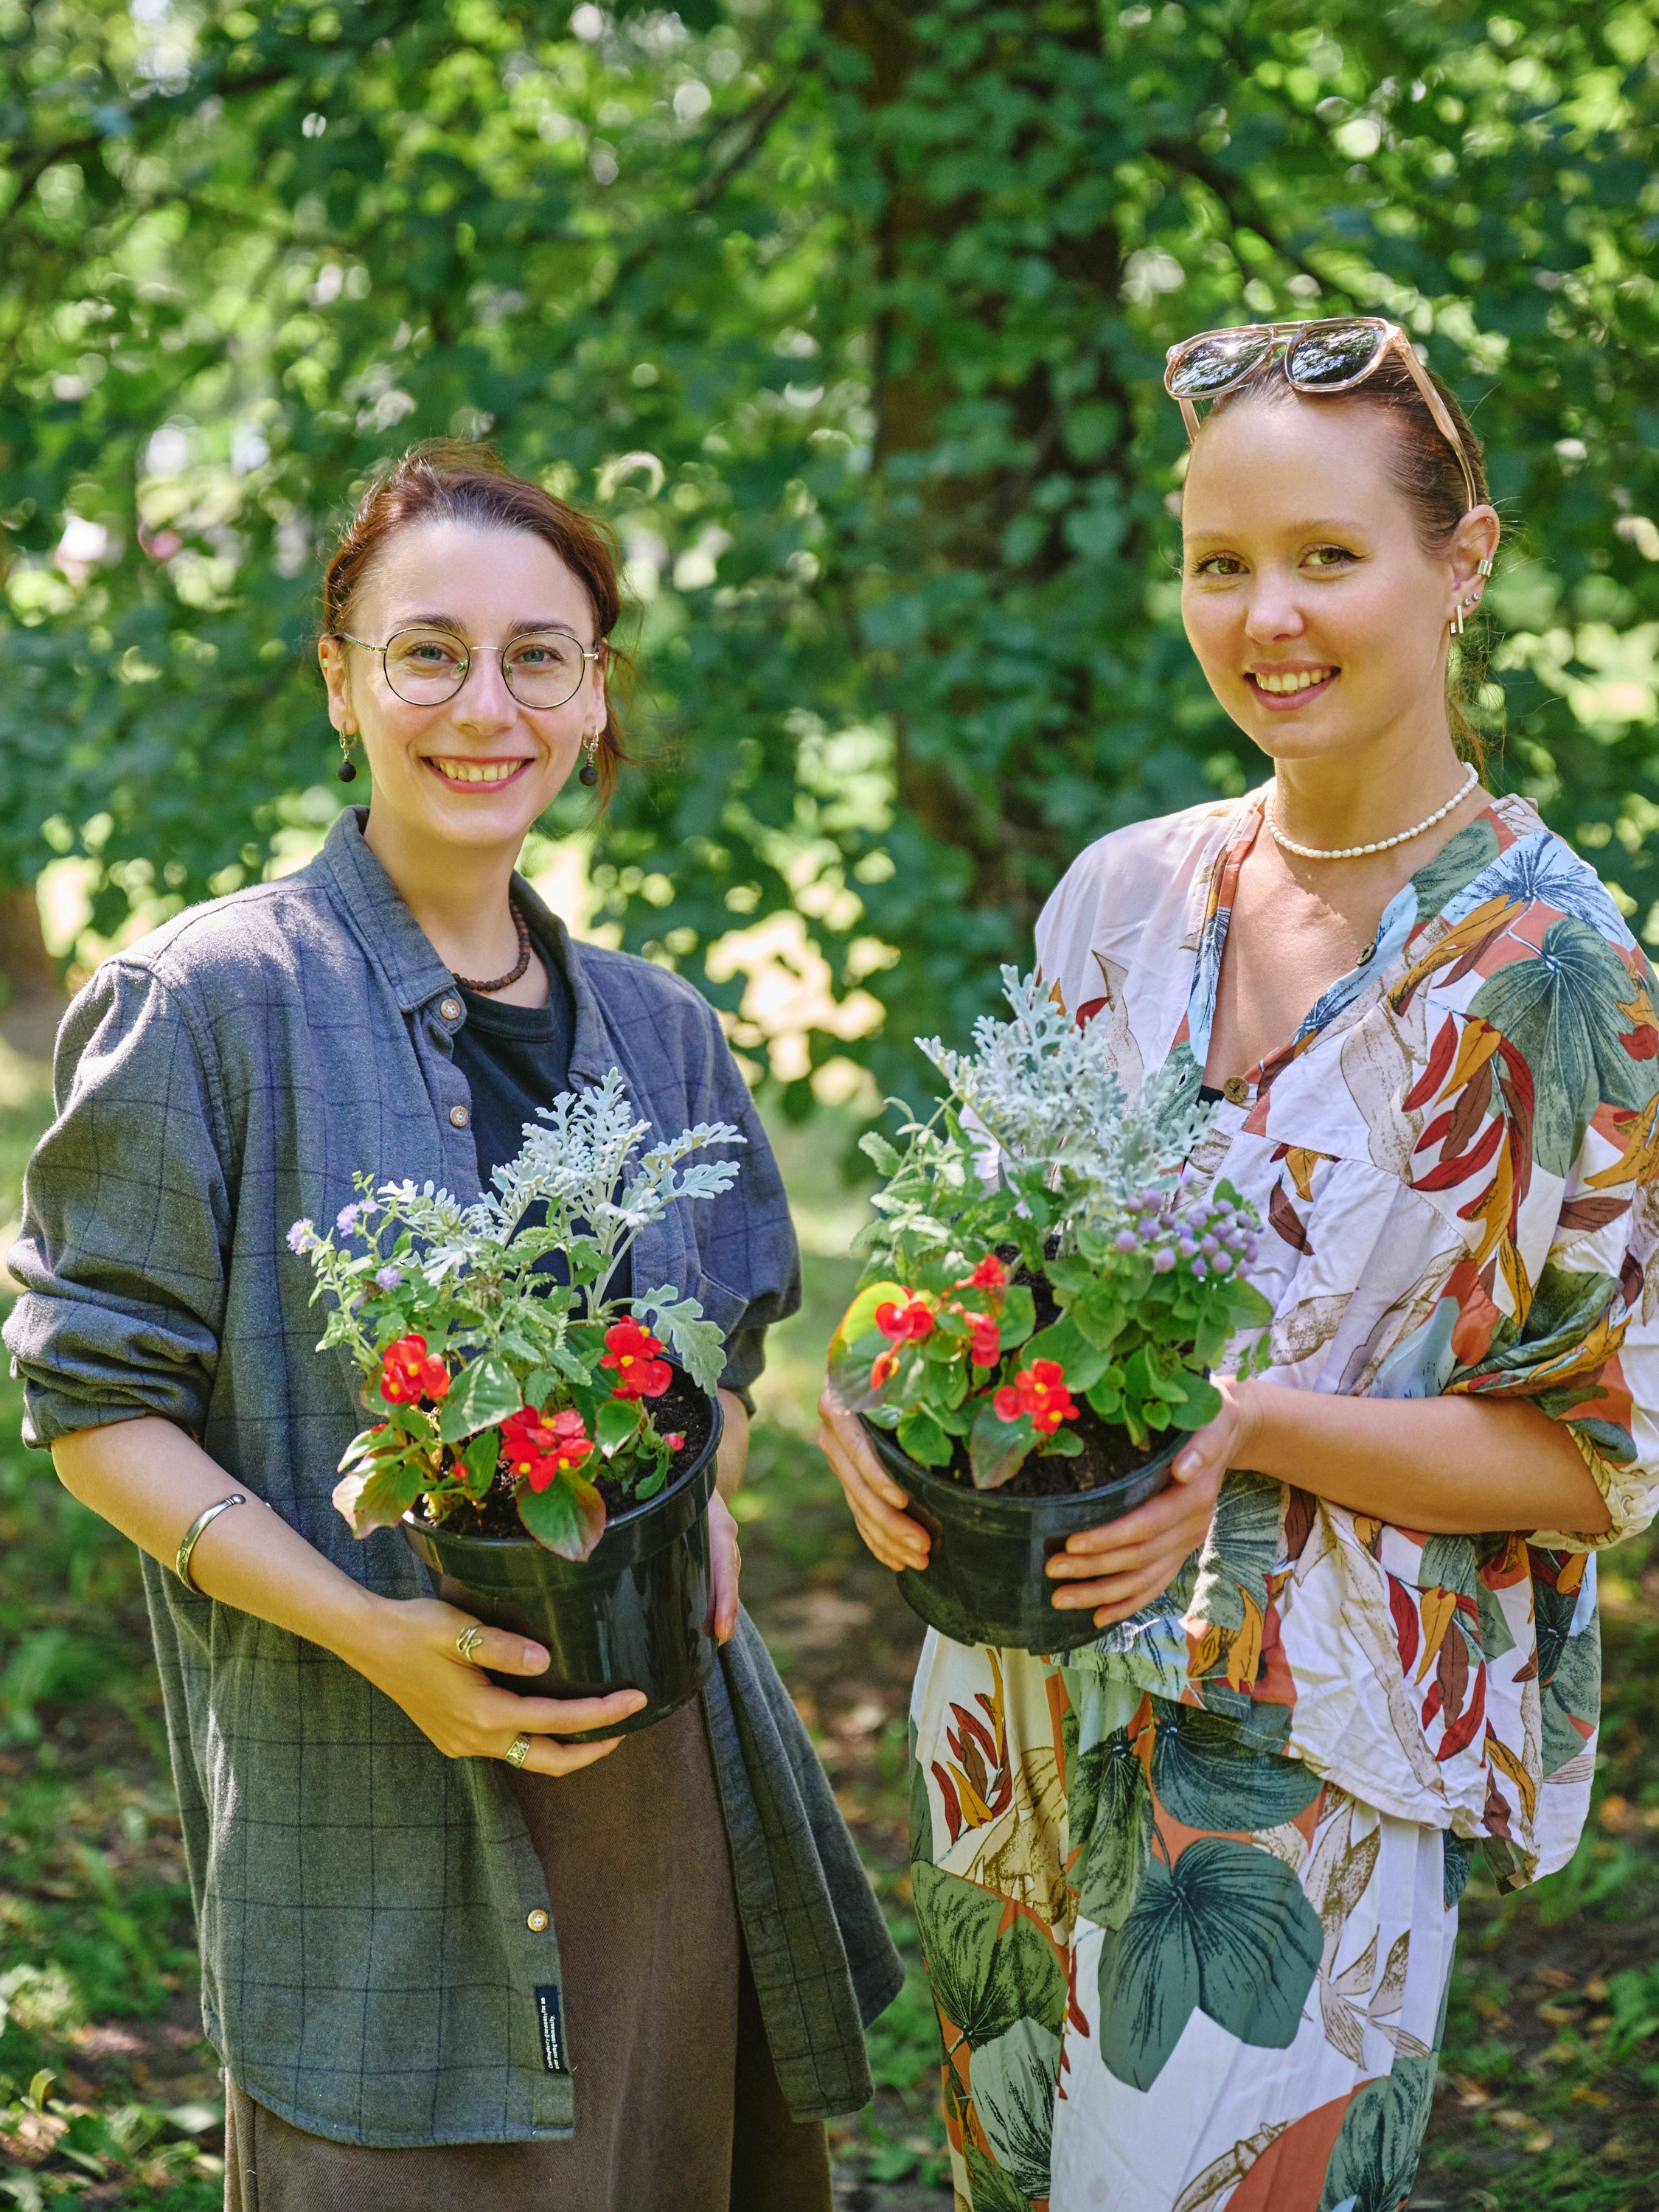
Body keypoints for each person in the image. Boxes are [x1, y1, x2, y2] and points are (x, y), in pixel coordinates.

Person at [818, 320, 1659, 2211]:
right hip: (1014, 1712)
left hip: (1302, 1765)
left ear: (1464, 562)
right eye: (1220, 563)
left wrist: (1253, 1429)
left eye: (1327, 556)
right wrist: (868, 1392)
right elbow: (966, 1271)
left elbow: (1595, 1460)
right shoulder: (1122, 897)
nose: (1266, 616)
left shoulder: (1560, 977)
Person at [7, 441, 900, 2212]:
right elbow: (96, 1412)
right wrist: (374, 1628)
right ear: (341, 682)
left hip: (662, 1800)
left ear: (593, 698)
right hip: (371, 1824)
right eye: (428, 653)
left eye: (537, 657)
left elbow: (720, 1369)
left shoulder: (661, 1031)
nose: (485, 707)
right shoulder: (205, 1005)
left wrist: (707, 1496)